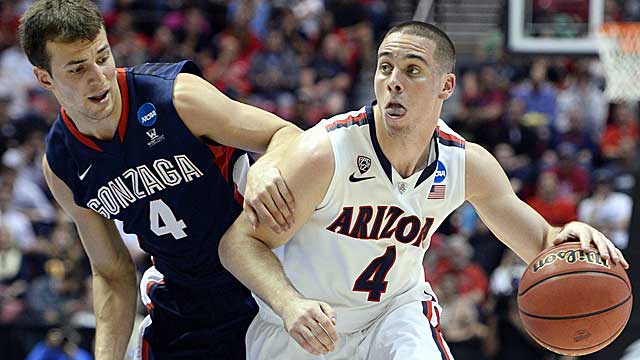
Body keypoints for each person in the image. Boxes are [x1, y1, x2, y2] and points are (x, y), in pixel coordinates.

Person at [219, 21, 629, 359]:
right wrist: (289, 304)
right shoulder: (324, 153)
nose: (393, 81)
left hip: (392, 317)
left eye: (412, 70)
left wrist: (566, 240)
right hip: (302, 326)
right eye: (385, 67)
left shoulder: (465, 164)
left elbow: (540, 242)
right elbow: (239, 242)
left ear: (446, 86)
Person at [19, 1, 300, 359]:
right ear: (45, 78)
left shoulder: (176, 97)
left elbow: (286, 134)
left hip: (262, 277)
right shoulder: (62, 163)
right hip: (182, 302)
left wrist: (267, 165)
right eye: (77, 69)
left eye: (102, 57)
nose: (98, 76)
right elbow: (111, 271)